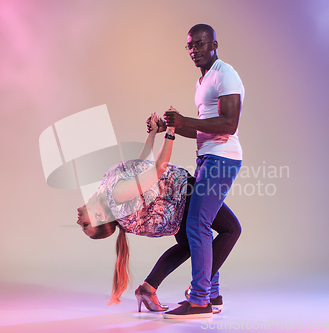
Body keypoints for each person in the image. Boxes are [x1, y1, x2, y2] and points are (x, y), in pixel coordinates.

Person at [76, 112, 241, 318]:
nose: (78, 221)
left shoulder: (106, 190)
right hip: (184, 194)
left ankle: (150, 288)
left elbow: (139, 167)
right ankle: (201, 291)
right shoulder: (117, 195)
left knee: (190, 245)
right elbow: (158, 169)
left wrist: (153, 134)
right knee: (231, 229)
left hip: (177, 203)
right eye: (84, 225)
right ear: (100, 217)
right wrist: (170, 132)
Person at [151, 24, 245, 319]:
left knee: (196, 226)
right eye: (190, 46)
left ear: (214, 44)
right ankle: (213, 294)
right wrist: (173, 127)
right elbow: (204, 130)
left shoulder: (225, 74)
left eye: (201, 44)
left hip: (222, 160)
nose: (195, 51)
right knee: (224, 227)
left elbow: (229, 125)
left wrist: (185, 119)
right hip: (207, 158)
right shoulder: (202, 81)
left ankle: (200, 300)